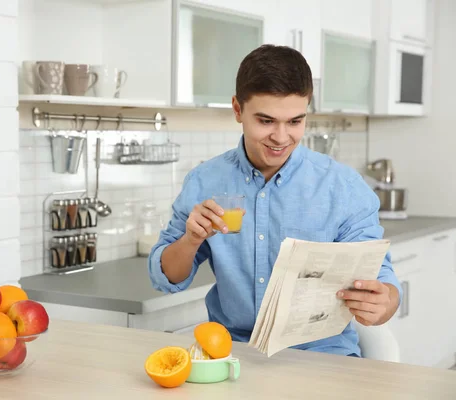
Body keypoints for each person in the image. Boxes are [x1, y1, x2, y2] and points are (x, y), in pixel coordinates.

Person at [147, 44, 402, 357]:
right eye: (266, 121)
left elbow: (383, 282)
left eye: (295, 122)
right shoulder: (204, 182)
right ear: (238, 110)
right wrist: (190, 240)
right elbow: (165, 279)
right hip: (232, 355)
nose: (281, 138)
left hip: (324, 358)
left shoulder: (343, 187)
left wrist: (384, 301)